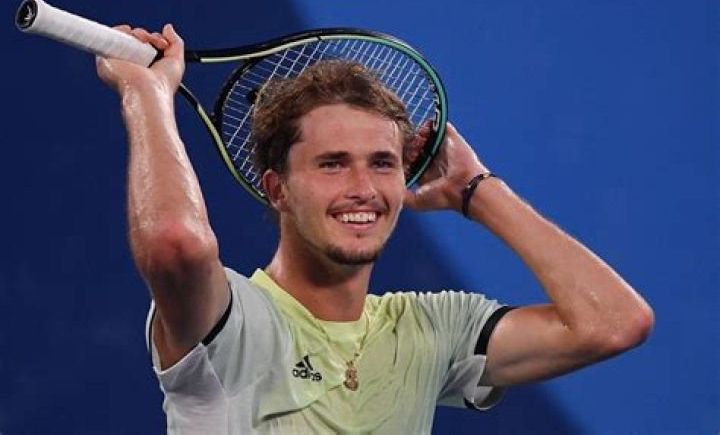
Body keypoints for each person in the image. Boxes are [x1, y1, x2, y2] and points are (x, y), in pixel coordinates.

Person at [97, 24, 654, 434]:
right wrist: (147, 95)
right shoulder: (230, 322)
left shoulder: (432, 330)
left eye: (382, 163)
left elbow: (614, 324)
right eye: (333, 164)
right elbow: (175, 243)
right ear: (277, 189)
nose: (363, 187)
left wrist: (477, 190)